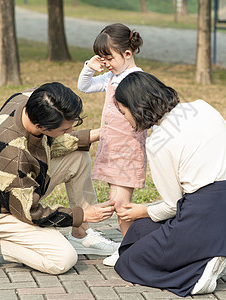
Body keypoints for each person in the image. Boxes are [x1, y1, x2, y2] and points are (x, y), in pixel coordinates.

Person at [111, 72, 226, 297]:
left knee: (127, 260)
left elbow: (172, 206)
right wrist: (212, 165)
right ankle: (217, 252)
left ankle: (198, 274)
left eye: (123, 111)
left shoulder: (157, 141)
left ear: (136, 107)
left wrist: (142, 210)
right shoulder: (203, 107)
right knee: (138, 231)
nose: (125, 119)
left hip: (200, 217)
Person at [0, 82, 119, 274]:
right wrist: (82, 214)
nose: (69, 131)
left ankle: (81, 234)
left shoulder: (31, 98)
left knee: (78, 156)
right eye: (64, 130)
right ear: (40, 126)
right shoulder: (14, 153)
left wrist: (98, 135)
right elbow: (29, 212)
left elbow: (49, 143)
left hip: (14, 188)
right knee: (63, 260)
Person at [77, 23, 147, 266]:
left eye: (108, 57)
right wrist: (89, 67)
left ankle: (128, 251)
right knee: (120, 204)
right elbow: (84, 87)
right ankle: (129, 248)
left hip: (127, 152)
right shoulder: (111, 76)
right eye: (101, 58)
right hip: (112, 150)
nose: (104, 63)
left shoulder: (136, 80)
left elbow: (146, 117)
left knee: (121, 205)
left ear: (127, 54)